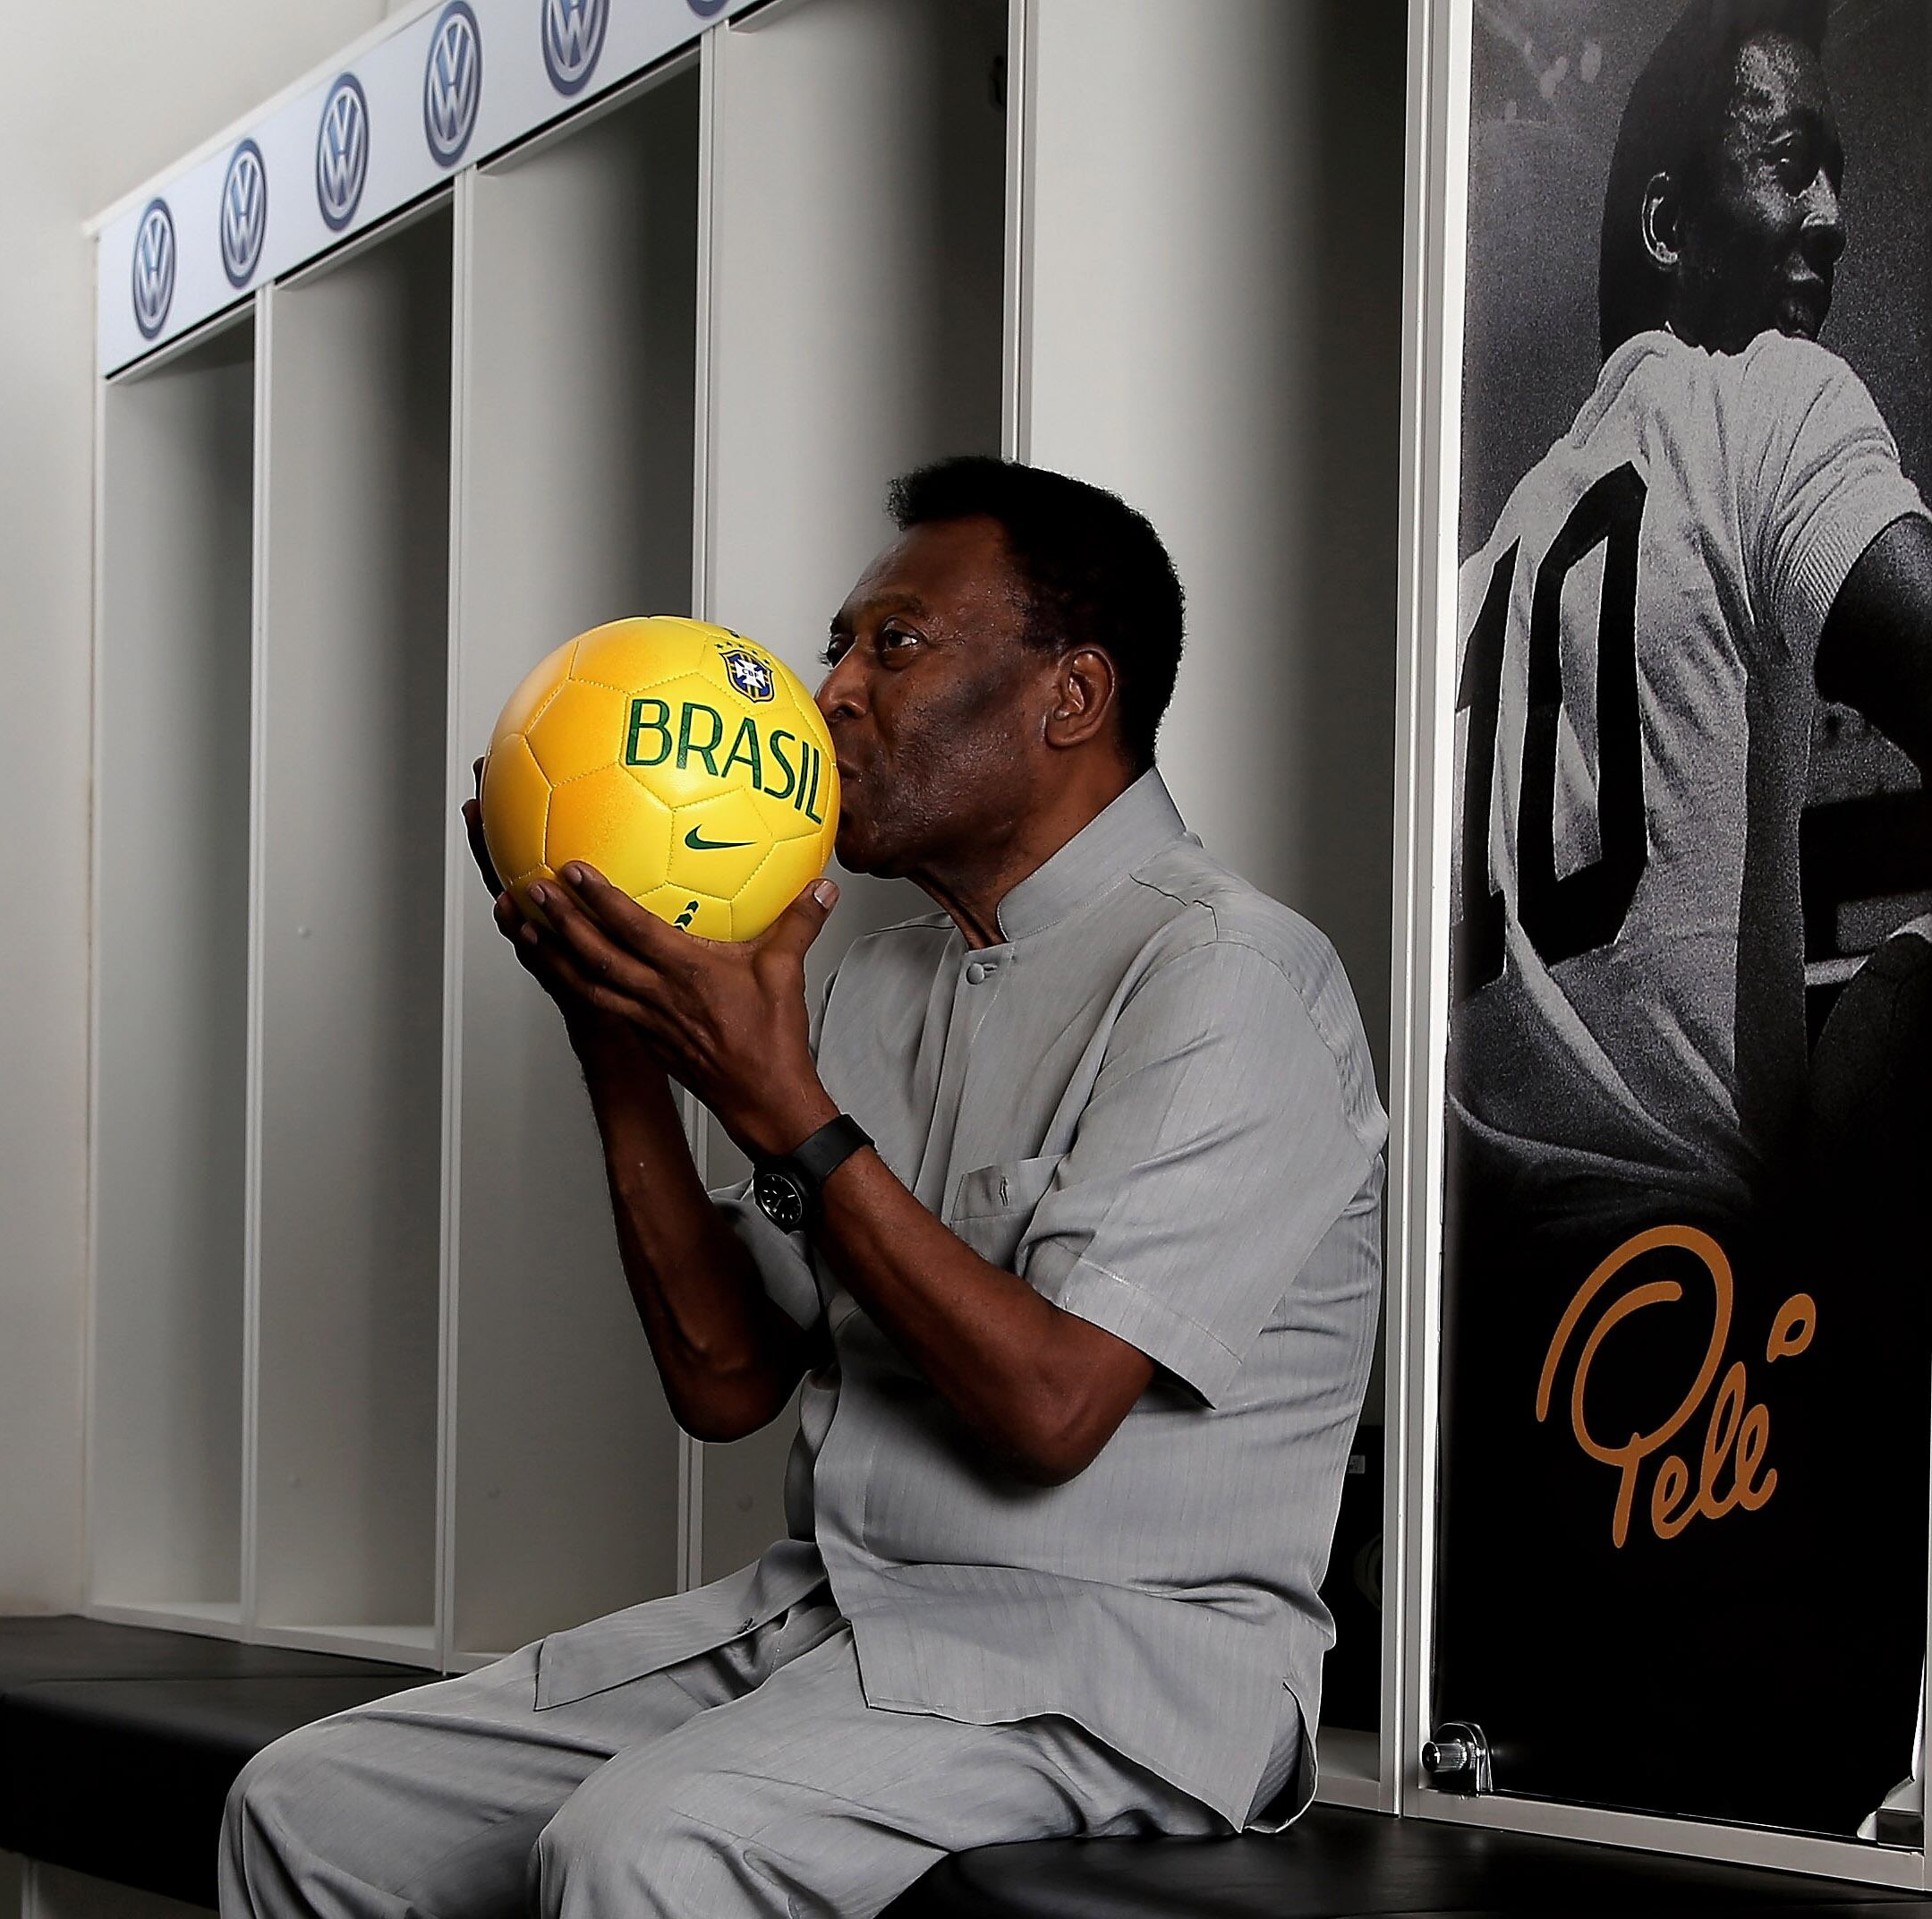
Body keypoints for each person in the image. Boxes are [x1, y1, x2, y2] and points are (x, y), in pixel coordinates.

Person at [220, 456, 1383, 1919]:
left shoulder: (1231, 978)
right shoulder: (877, 974)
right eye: (837, 642)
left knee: (640, 1845)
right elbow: (727, 1375)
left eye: (890, 645)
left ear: (1070, 697)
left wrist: (786, 1107)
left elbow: (1049, 1405)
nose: (827, 690)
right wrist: (618, 1037)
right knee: (313, 1801)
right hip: (838, 1614)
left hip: (1116, 1667)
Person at [1443, 0, 1932, 1831]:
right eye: (1782, 161)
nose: (1820, 219)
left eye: (1837, 176)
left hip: (1485, 1376)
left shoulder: (1481, 565)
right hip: (1686, 1345)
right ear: (1665, 228)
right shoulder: (1768, 401)